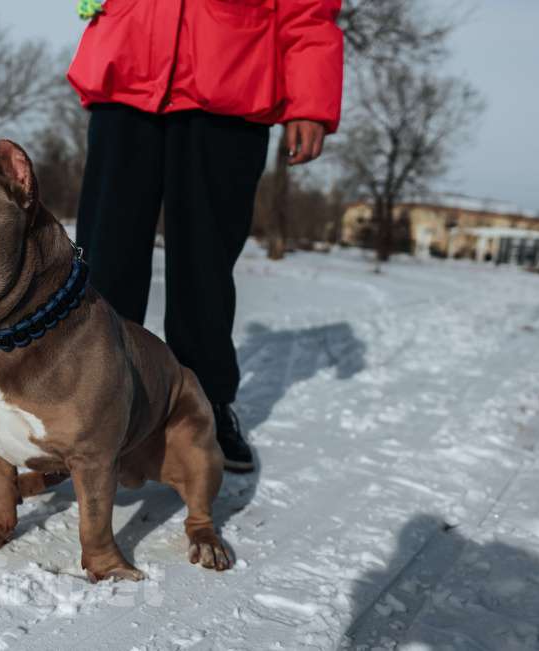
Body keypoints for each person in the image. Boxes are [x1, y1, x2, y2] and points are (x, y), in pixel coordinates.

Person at [68, 0, 343, 472]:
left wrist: (310, 101)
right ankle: (89, 403)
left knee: (205, 265)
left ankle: (203, 405)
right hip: (128, 73)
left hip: (232, 85)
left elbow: (309, 11)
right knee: (105, 257)